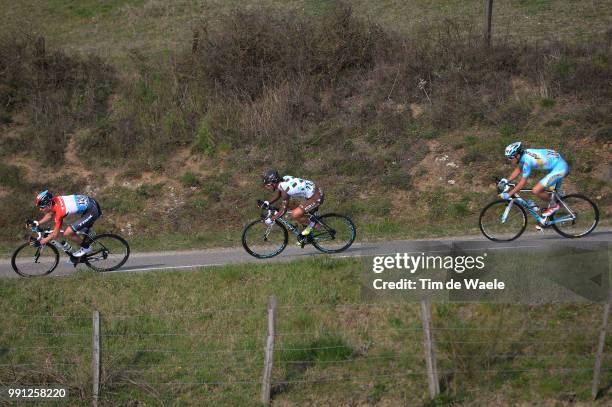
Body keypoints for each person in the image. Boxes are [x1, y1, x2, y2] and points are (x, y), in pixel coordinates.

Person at [499, 142, 569, 217]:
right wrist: (507, 180)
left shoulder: (527, 161)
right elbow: (519, 169)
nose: (509, 159)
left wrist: (509, 194)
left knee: (536, 190)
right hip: (556, 165)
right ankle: (561, 210)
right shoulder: (525, 154)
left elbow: (522, 183)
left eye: (510, 157)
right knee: (551, 194)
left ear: (517, 155)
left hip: (560, 168)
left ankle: (554, 205)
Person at [33, 190, 102, 257]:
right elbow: (49, 215)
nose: (40, 209)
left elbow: (55, 235)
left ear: (48, 204)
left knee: (68, 233)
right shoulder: (55, 200)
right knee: (77, 230)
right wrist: (38, 223)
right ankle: (88, 233)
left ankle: (86, 248)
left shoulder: (60, 211)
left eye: (42, 207)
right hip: (91, 202)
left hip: (92, 211)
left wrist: (41, 242)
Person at [261, 169, 324, 239]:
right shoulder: (284, 179)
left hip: (316, 196)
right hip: (313, 191)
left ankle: (315, 225)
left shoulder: (286, 190)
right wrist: (268, 202)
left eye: (267, 185)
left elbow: (283, 211)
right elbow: (279, 194)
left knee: (295, 214)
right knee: (293, 208)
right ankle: (307, 229)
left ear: (273, 183)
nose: (266, 187)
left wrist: (272, 219)